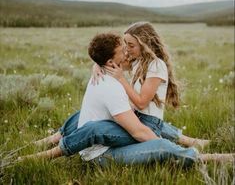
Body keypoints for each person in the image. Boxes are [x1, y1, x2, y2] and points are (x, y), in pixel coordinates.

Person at [18, 31, 233, 166]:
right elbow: (138, 131)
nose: (127, 53)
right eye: (123, 49)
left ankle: (184, 141)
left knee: (142, 124)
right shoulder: (111, 87)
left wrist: (97, 62)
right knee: (161, 146)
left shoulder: (104, 70)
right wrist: (160, 143)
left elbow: (123, 62)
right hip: (101, 155)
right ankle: (207, 158)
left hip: (103, 139)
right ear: (112, 60)